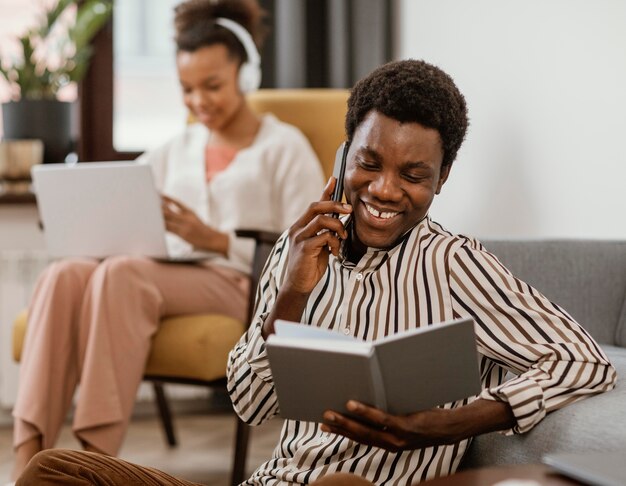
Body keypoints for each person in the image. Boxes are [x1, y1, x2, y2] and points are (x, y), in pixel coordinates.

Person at [16, 60, 616, 485]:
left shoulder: (454, 263)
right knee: (54, 471)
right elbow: (249, 404)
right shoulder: (299, 247)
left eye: (413, 175)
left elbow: (583, 360)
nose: (385, 190)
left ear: (441, 180)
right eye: (369, 163)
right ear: (343, 154)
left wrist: (441, 426)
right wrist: (292, 295)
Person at [9, 0, 324, 481]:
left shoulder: (283, 148)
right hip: (162, 276)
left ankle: (96, 463)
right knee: (65, 273)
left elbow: (305, 249)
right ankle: (27, 457)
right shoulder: (170, 151)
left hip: (242, 280)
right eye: (187, 89)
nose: (199, 101)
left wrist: (214, 239)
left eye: (212, 86)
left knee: (123, 274)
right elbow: (115, 210)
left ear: (246, 75)